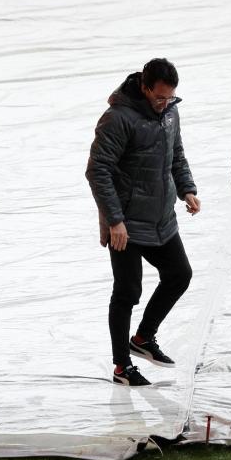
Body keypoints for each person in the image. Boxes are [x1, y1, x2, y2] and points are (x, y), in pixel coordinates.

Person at [86, 58, 201, 386]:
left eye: (170, 98)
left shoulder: (170, 113)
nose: (164, 104)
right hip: (125, 223)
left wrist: (186, 188)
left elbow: (176, 154)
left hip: (161, 216)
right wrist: (115, 221)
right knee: (127, 292)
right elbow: (98, 170)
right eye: (159, 98)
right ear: (144, 87)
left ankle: (143, 338)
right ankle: (122, 367)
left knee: (179, 274)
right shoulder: (118, 119)